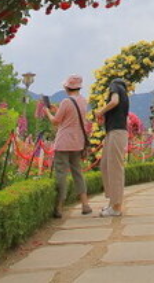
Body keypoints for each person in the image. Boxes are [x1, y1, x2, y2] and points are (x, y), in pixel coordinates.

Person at [45, 74, 92, 218]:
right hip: (77, 142)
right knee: (78, 172)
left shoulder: (66, 101)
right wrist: (57, 110)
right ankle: (85, 204)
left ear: (66, 87)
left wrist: (47, 112)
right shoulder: (83, 101)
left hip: (63, 142)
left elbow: (55, 121)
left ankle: (59, 207)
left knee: (61, 174)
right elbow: (72, 117)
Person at [96, 77, 130, 217]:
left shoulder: (115, 86)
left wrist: (101, 111)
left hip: (117, 131)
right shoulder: (123, 92)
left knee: (114, 168)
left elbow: (114, 101)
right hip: (113, 131)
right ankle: (112, 202)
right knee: (106, 165)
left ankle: (116, 207)